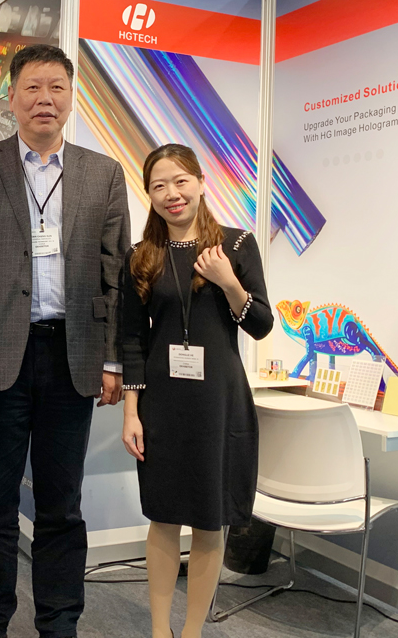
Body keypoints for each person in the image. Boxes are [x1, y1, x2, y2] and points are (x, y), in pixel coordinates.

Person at [0, 43, 130, 638]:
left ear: (71, 97)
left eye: (56, 87)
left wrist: (113, 359)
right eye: (32, 87)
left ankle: (59, 621)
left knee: (62, 504)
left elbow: (116, 273)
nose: (45, 99)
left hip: (73, 356)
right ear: (11, 96)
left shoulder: (103, 172)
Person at [120, 144, 273, 638]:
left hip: (218, 404)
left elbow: (261, 325)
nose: (172, 193)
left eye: (181, 181)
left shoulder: (236, 244)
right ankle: (159, 630)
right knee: (163, 517)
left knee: (210, 520)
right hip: (162, 405)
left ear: (201, 183)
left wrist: (229, 283)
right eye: (159, 185)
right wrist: (131, 412)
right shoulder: (141, 256)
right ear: (150, 194)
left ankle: (191, 632)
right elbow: (132, 339)